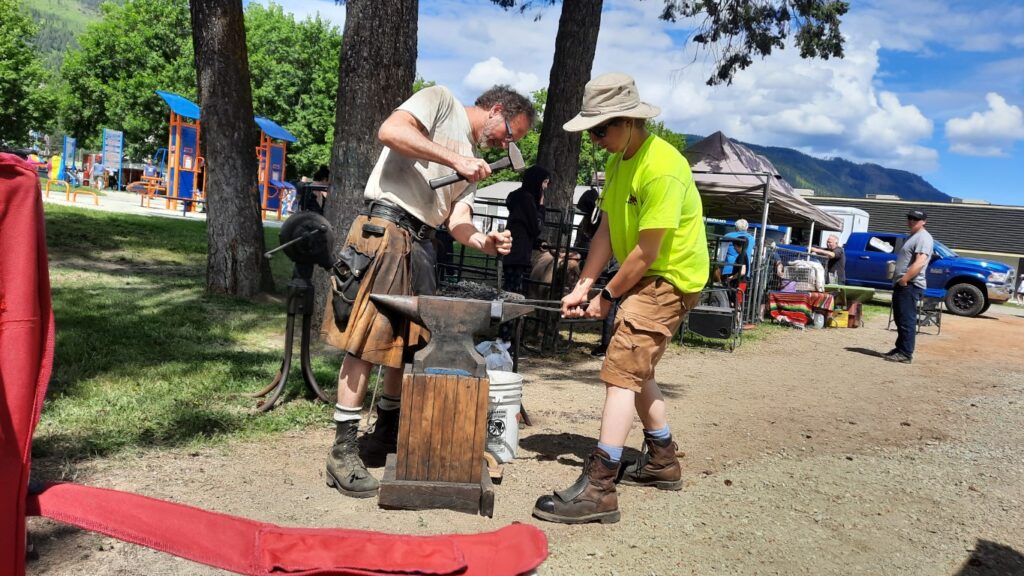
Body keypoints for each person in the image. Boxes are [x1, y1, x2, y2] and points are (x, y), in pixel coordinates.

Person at [322, 84, 534, 498]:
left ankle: (386, 433)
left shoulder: (473, 160)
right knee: (364, 343)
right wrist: (456, 158)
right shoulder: (440, 101)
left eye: (513, 142)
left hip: (420, 243)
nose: (507, 143)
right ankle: (342, 450)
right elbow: (391, 131)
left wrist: (481, 241)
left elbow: (457, 218)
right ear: (495, 110)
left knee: (409, 346)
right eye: (510, 133)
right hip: (384, 231)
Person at [532, 72, 709, 524]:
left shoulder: (663, 168)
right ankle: (662, 460)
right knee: (635, 366)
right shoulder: (617, 162)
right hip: (647, 272)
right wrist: (583, 285)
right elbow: (607, 232)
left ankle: (600, 487)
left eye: (601, 129)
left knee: (620, 372)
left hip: (670, 276)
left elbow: (649, 251)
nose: (595, 139)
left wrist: (608, 295)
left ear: (630, 120)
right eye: (591, 130)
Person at [884, 208, 934, 364]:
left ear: (924, 221)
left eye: (916, 219)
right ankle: (900, 348)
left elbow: (920, 262)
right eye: (910, 218)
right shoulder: (913, 236)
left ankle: (906, 353)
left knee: (907, 319)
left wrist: (905, 279)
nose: (911, 220)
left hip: (910, 284)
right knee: (899, 318)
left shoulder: (923, 238)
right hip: (903, 283)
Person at [503, 165, 550, 293]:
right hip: (519, 255)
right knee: (515, 292)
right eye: (544, 182)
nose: (545, 187)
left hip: (513, 251)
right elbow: (536, 227)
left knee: (509, 288)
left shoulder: (518, 197)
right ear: (536, 181)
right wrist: (541, 207)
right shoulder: (527, 199)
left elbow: (523, 227)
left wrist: (537, 243)